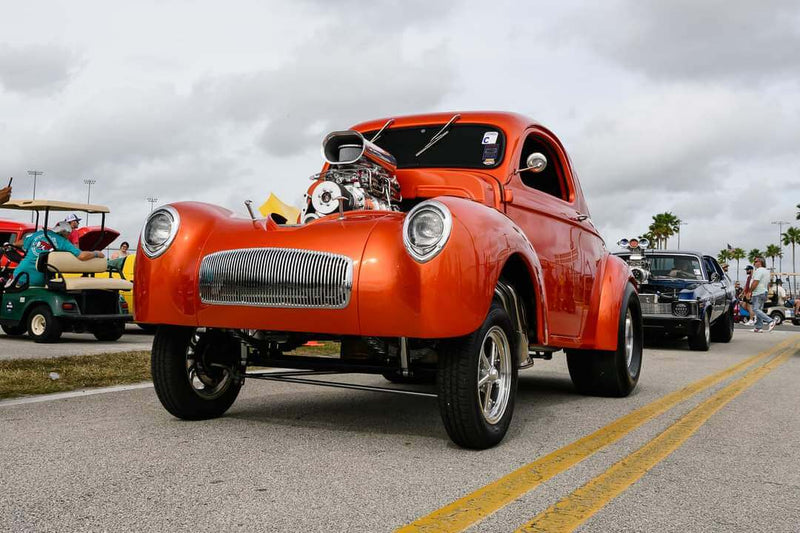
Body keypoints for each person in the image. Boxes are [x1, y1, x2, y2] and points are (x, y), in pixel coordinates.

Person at [13, 221, 103, 287]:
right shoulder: (63, 242)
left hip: (20, 275)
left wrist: (12, 245)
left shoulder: (39, 234)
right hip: (39, 280)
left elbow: (20, 243)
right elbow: (82, 256)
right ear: (66, 233)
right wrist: (96, 253)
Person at [744, 257, 775, 333]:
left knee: (755, 309)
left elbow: (755, 282)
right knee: (759, 310)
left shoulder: (758, 270)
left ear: (760, 262)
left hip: (758, 292)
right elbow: (768, 284)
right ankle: (758, 327)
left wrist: (749, 292)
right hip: (764, 292)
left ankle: (770, 321)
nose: (754, 263)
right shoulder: (767, 271)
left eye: (755, 261)